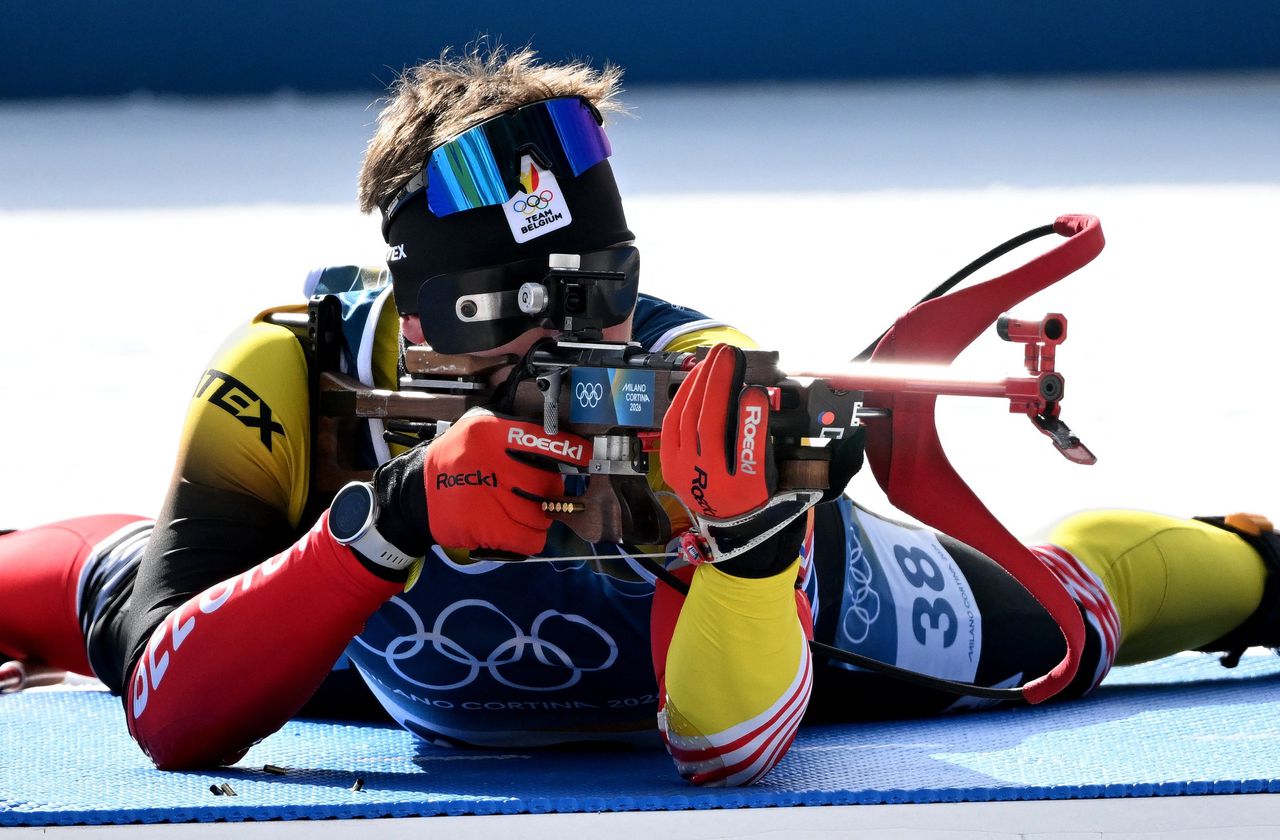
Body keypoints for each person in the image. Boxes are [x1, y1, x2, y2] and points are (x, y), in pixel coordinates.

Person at [2, 47, 1278, 787]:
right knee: (95, 592)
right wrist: (389, 523)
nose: (569, 345)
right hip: (369, 650)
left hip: (700, 653)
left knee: (1067, 618)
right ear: (414, 308)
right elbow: (173, 711)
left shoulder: (701, 382)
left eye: (598, 293)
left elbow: (727, 755)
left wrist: (751, 542)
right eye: (507, 309)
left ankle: (1253, 563)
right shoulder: (292, 369)